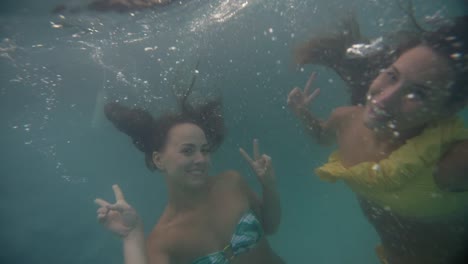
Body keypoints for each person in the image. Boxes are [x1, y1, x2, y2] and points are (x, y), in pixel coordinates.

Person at [288, 16, 468, 264]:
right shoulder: (345, 119)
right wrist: (303, 114)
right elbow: (321, 136)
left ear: (447, 109)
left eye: (417, 94)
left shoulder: (451, 157)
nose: (383, 100)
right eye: (392, 76)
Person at [94, 87, 284, 264]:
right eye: (187, 151)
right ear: (159, 160)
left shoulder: (232, 182)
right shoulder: (163, 241)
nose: (201, 159)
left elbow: (270, 226)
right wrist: (132, 237)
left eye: (205, 150)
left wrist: (269, 185)